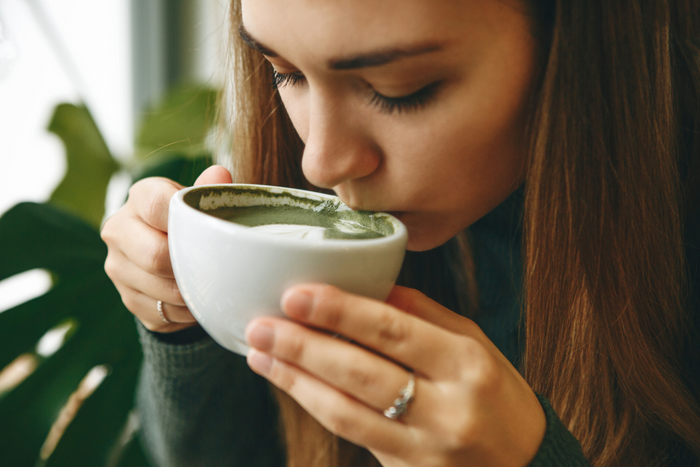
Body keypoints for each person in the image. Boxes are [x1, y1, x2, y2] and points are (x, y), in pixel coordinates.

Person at [100, 0, 700, 465]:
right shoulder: (292, 178)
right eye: (285, 73)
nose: (322, 164)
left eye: (399, 90)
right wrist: (184, 322)